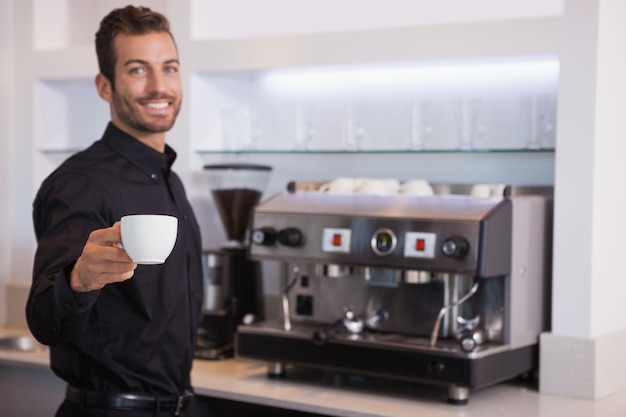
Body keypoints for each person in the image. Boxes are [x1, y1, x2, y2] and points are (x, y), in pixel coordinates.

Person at [26, 5, 204, 417]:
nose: (160, 86)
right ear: (105, 86)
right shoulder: (80, 185)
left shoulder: (169, 179)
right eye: (138, 70)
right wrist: (79, 279)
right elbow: (42, 320)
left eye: (170, 68)